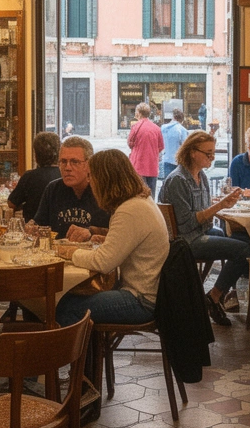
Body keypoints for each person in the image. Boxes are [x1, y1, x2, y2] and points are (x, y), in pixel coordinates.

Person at [54, 150, 169, 327]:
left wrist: (71, 252)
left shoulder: (130, 210)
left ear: (105, 179)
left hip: (140, 300)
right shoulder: (140, 201)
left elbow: (103, 263)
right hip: (149, 293)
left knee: (65, 307)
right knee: (72, 298)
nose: (90, 181)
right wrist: (108, 241)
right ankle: (89, 353)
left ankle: (78, 355)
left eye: (92, 176)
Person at [161, 130, 250, 326]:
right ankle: (214, 296)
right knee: (245, 250)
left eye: (213, 153)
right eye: (208, 153)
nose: (212, 157)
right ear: (193, 152)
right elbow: (186, 222)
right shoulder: (178, 180)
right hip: (184, 241)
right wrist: (220, 206)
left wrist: (220, 202)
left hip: (199, 232)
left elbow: (202, 212)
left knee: (244, 239)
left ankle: (216, 295)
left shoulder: (200, 176)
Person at [34, 136, 110, 241]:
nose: (68, 168)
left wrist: (91, 232)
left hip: (94, 254)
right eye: (63, 162)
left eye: (75, 162)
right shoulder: (53, 189)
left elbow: (120, 234)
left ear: (89, 164)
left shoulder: (104, 190)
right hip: (57, 253)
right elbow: (39, 226)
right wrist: (32, 229)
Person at [8, 131, 61, 222]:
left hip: (34, 228)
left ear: (36, 155)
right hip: (59, 227)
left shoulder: (29, 177)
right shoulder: (65, 176)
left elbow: (11, 203)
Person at [127, 102, 164, 197]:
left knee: (139, 196)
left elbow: (130, 144)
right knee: (151, 196)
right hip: (152, 166)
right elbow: (161, 146)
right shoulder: (157, 128)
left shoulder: (135, 127)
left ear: (138, 113)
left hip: (138, 166)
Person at [160, 109, 190, 180]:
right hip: (177, 161)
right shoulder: (182, 130)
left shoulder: (163, 128)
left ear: (173, 117)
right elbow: (185, 146)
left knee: (166, 182)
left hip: (166, 159)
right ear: (181, 120)